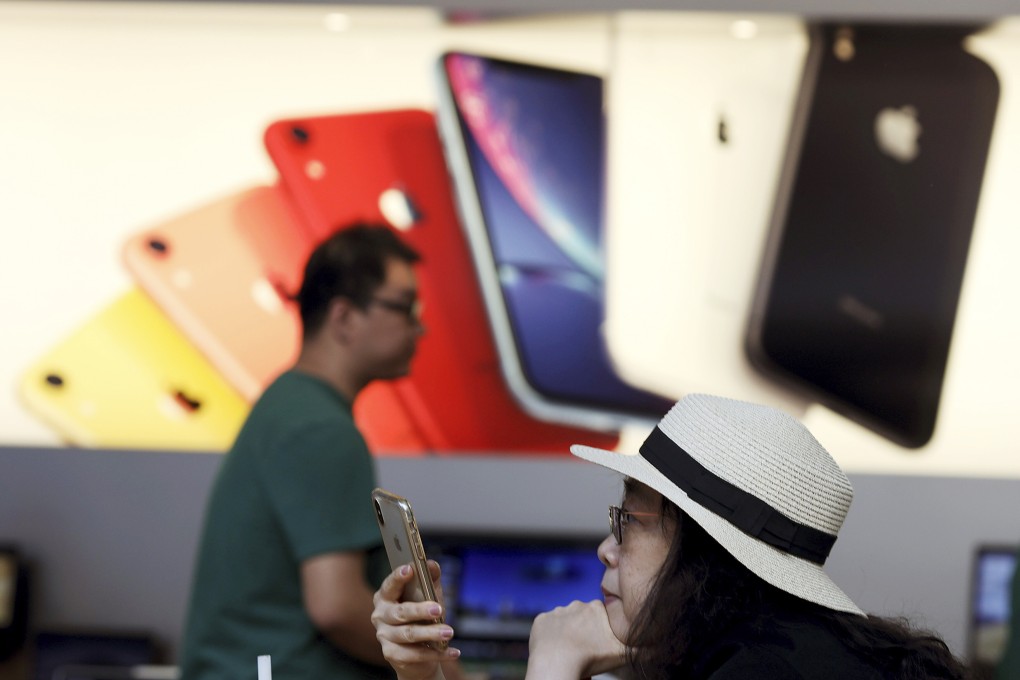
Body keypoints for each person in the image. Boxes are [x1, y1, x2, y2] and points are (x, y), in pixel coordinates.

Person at [372, 393, 970, 680]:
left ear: (703, 551)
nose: (606, 549)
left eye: (626, 524)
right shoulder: (785, 653)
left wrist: (555, 665)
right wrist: (428, 671)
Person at [180, 224, 424, 680]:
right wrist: (439, 666)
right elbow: (336, 607)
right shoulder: (322, 428)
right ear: (344, 317)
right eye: (404, 307)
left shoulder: (289, 405)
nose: (419, 324)